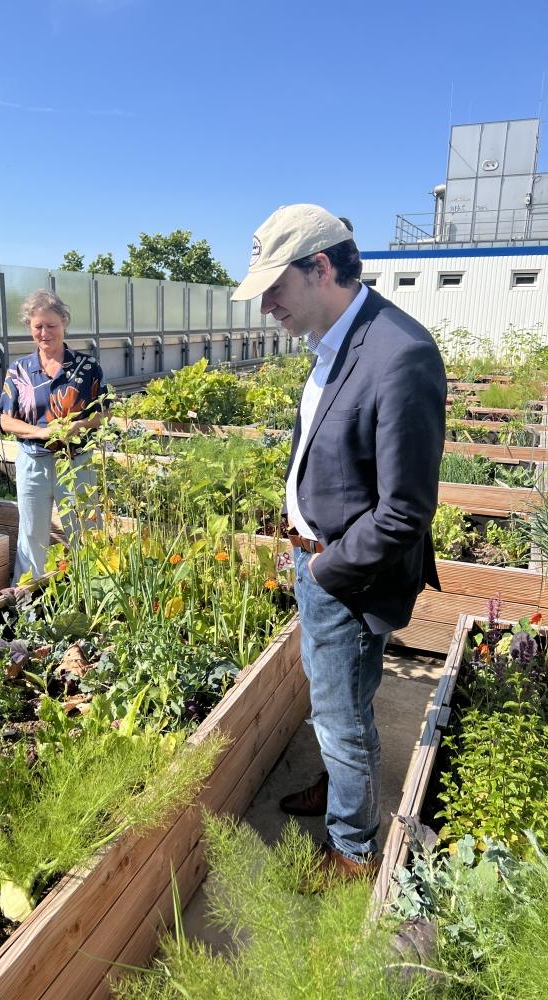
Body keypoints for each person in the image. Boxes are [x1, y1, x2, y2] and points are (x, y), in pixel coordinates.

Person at [230, 205, 446, 879]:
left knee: (341, 714)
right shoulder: (333, 343)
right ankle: (339, 788)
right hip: (315, 556)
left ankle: (353, 847)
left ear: (321, 268)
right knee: (342, 702)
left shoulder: (399, 354)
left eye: (275, 287)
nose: (266, 306)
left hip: (345, 575)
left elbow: (404, 511)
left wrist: (325, 572)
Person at [0, 289, 108, 582]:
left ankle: (92, 592)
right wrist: (40, 431)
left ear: (64, 323)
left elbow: (104, 413)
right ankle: (29, 603)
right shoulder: (19, 370)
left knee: (85, 532)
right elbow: (6, 421)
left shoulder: (87, 368)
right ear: (30, 328)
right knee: (32, 534)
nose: (44, 333)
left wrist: (80, 426)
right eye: (38, 326)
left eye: (51, 325)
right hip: (33, 464)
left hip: (75, 463)